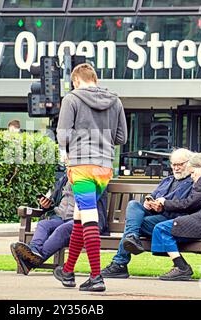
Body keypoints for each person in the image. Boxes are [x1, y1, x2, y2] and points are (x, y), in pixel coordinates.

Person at [54, 63, 127, 292]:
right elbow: (121, 137)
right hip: (104, 169)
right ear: (94, 78)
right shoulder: (115, 100)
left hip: (82, 166)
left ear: (76, 80)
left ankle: (96, 277)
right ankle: (67, 271)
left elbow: (62, 135)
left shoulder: (72, 99)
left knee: (88, 218)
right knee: (79, 216)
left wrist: (69, 148)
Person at [101, 148, 194, 279]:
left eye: (180, 164)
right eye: (174, 164)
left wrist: (163, 206)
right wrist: (149, 203)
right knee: (134, 204)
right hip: (155, 215)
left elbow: (187, 205)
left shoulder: (193, 182)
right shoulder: (167, 180)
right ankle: (132, 238)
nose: (177, 168)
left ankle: (119, 263)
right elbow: (153, 196)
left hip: (172, 221)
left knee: (136, 224)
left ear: (189, 164)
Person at [151, 152, 201, 281]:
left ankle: (182, 267)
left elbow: (189, 204)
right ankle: (180, 266)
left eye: (193, 172)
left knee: (162, 228)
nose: (192, 176)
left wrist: (165, 203)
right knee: (165, 228)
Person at [10, 172, 109, 275]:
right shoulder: (65, 178)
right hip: (60, 217)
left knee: (62, 229)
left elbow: (93, 206)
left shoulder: (93, 178)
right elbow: (54, 200)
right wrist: (46, 205)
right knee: (43, 224)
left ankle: (34, 260)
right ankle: (33, 250)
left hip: (81, 220)